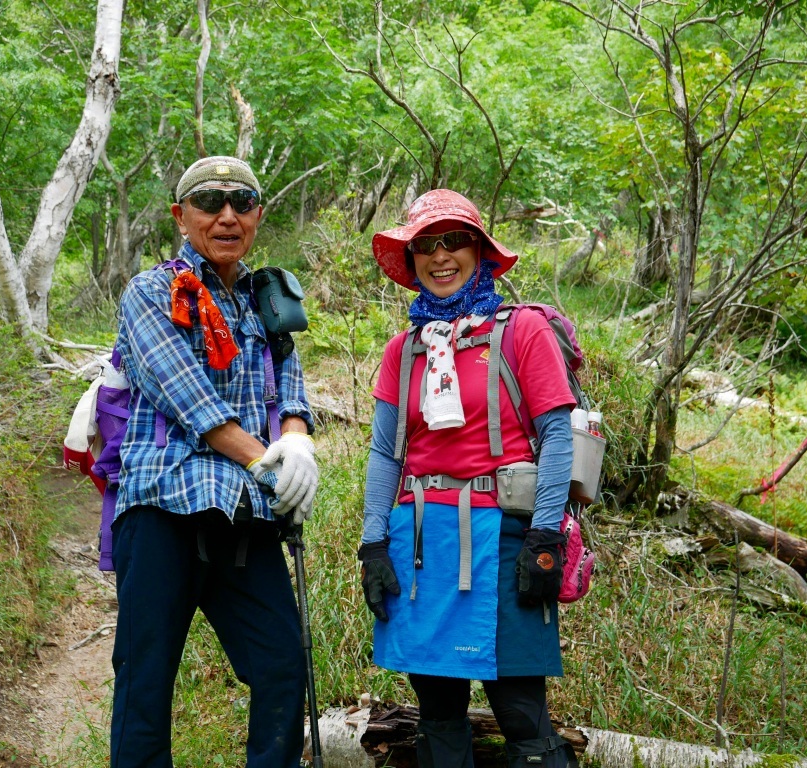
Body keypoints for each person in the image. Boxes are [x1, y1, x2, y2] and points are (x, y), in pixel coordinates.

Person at [109, 156, 317, 768]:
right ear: (181, 215)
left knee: (283, 664)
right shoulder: (151, 292)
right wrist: (270, 461)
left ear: (257, 214)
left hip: (244, 518)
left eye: (242, 202)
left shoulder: (267, 300)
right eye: (208, 202)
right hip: (163, 508)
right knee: (145, 680)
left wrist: (298, 437)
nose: (227, 216)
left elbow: (292, 385)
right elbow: (188, 396)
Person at [359, 189, 579, 767]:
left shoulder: (523, 330)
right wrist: (373, 542)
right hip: (420, 548)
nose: (440, 257)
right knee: (438, 716)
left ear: (480, 251)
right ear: (412, 261)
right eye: (426, 246)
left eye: (454, 241)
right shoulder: (401, 351)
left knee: (522, 715)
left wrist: (546, 537)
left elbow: (558, 437)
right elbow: (386, 454)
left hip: (506, 539)